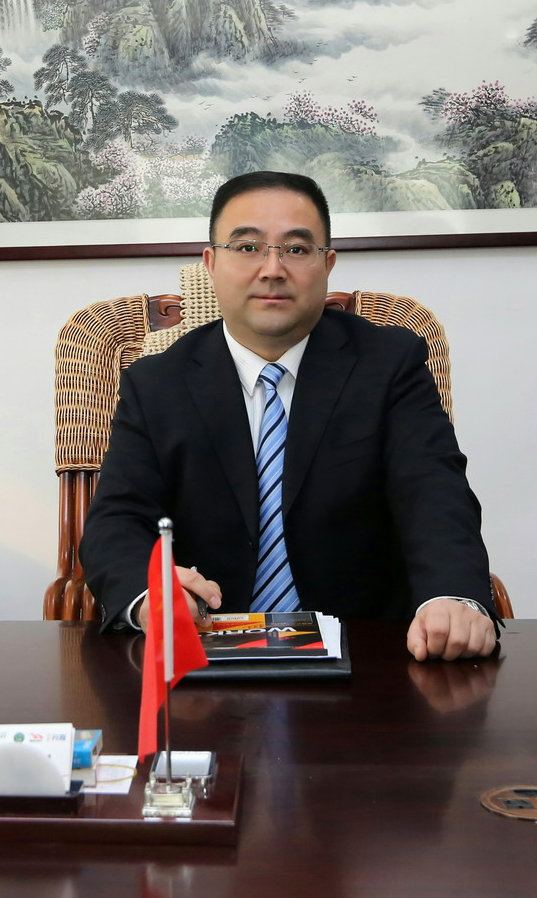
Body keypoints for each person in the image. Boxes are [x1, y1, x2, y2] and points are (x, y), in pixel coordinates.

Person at [80, 171, 498, 660]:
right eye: (248, 247)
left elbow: (434, 492)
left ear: (328, 264)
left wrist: (451, 596)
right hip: (206, 649)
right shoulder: (156, 383)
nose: (273, 269)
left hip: (370, 651)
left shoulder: (389, 363)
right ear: (211, 264)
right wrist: (148, 595)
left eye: (297, 249)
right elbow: (117, 519)